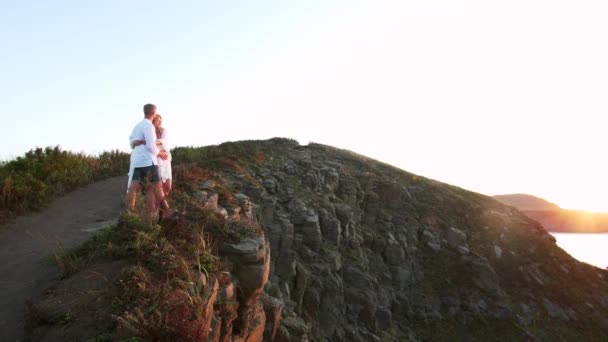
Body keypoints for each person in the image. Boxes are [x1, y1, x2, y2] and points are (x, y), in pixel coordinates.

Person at [126, 103, 170, 220]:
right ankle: (167, 211)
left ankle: (129, 214)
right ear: (153, 113)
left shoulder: (137, 126)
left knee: (133, 188)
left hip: (137, 161)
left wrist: (138, 142)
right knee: (158, 187)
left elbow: (132, 142)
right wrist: (160, 153)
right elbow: (151, 146)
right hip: (148, 161)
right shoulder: (149, 126)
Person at [152, 114, 172, 198]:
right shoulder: (150, 131)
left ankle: (163, 207)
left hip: (165, 158)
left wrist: (153, 142)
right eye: (157, 120)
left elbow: (164, 142)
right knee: (158, 186)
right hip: (156, 158)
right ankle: (160, 209)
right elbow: (150, 144)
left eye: (161, 120)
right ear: (153, 121)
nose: (159, 122)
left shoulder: (164, 130)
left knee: (168, 186)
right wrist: (156, 144)